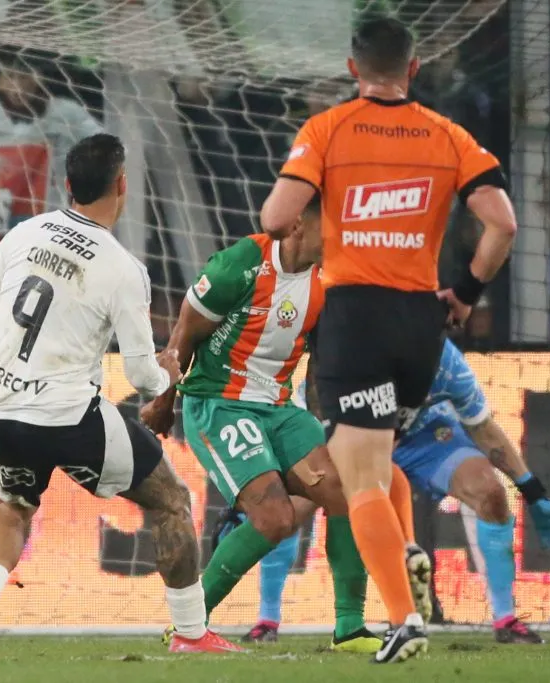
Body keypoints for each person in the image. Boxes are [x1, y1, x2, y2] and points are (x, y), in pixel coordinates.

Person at [259, 14, 517, 663]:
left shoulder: (328, 128)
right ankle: (404, 554)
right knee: (378, 465)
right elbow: (503, 224)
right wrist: (466, 292)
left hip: (355, 317)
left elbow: (276, 216)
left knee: (360, 478)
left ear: (353, 69)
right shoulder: (448, 134)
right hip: (421, 325)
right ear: (414, 68)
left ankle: (404, 618)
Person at [0, 133, 237, 654]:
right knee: (172, 500)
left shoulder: (24, 233)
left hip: (4, 408)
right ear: (122, 185)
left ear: (67, 185)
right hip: (70, 416)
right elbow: (141, 377)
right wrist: (167, 374)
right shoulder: (123, 269)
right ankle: (190, 632)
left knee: (12, 507)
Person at [141, 196, 391, 654]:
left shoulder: (327, 279)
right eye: (330, 228)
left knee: (347, 489)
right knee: (275, 519)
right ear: (297, 224)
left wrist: (330, 421)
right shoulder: (238, 266)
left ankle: (349, 628)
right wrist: (164, 401)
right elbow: (184, 334)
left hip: (279, 407)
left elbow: (321, 358)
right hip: (219, 404)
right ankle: (189, 627)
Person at [239, 339, 550, 645]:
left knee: (490, 493)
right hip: (358, 441)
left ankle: (505, 619)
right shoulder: (341, 357)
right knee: (289, 509)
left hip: (429, 438)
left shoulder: (446, 362)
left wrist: (533, 492)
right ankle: (268, 620)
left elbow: (483, 428)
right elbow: (304, 434)